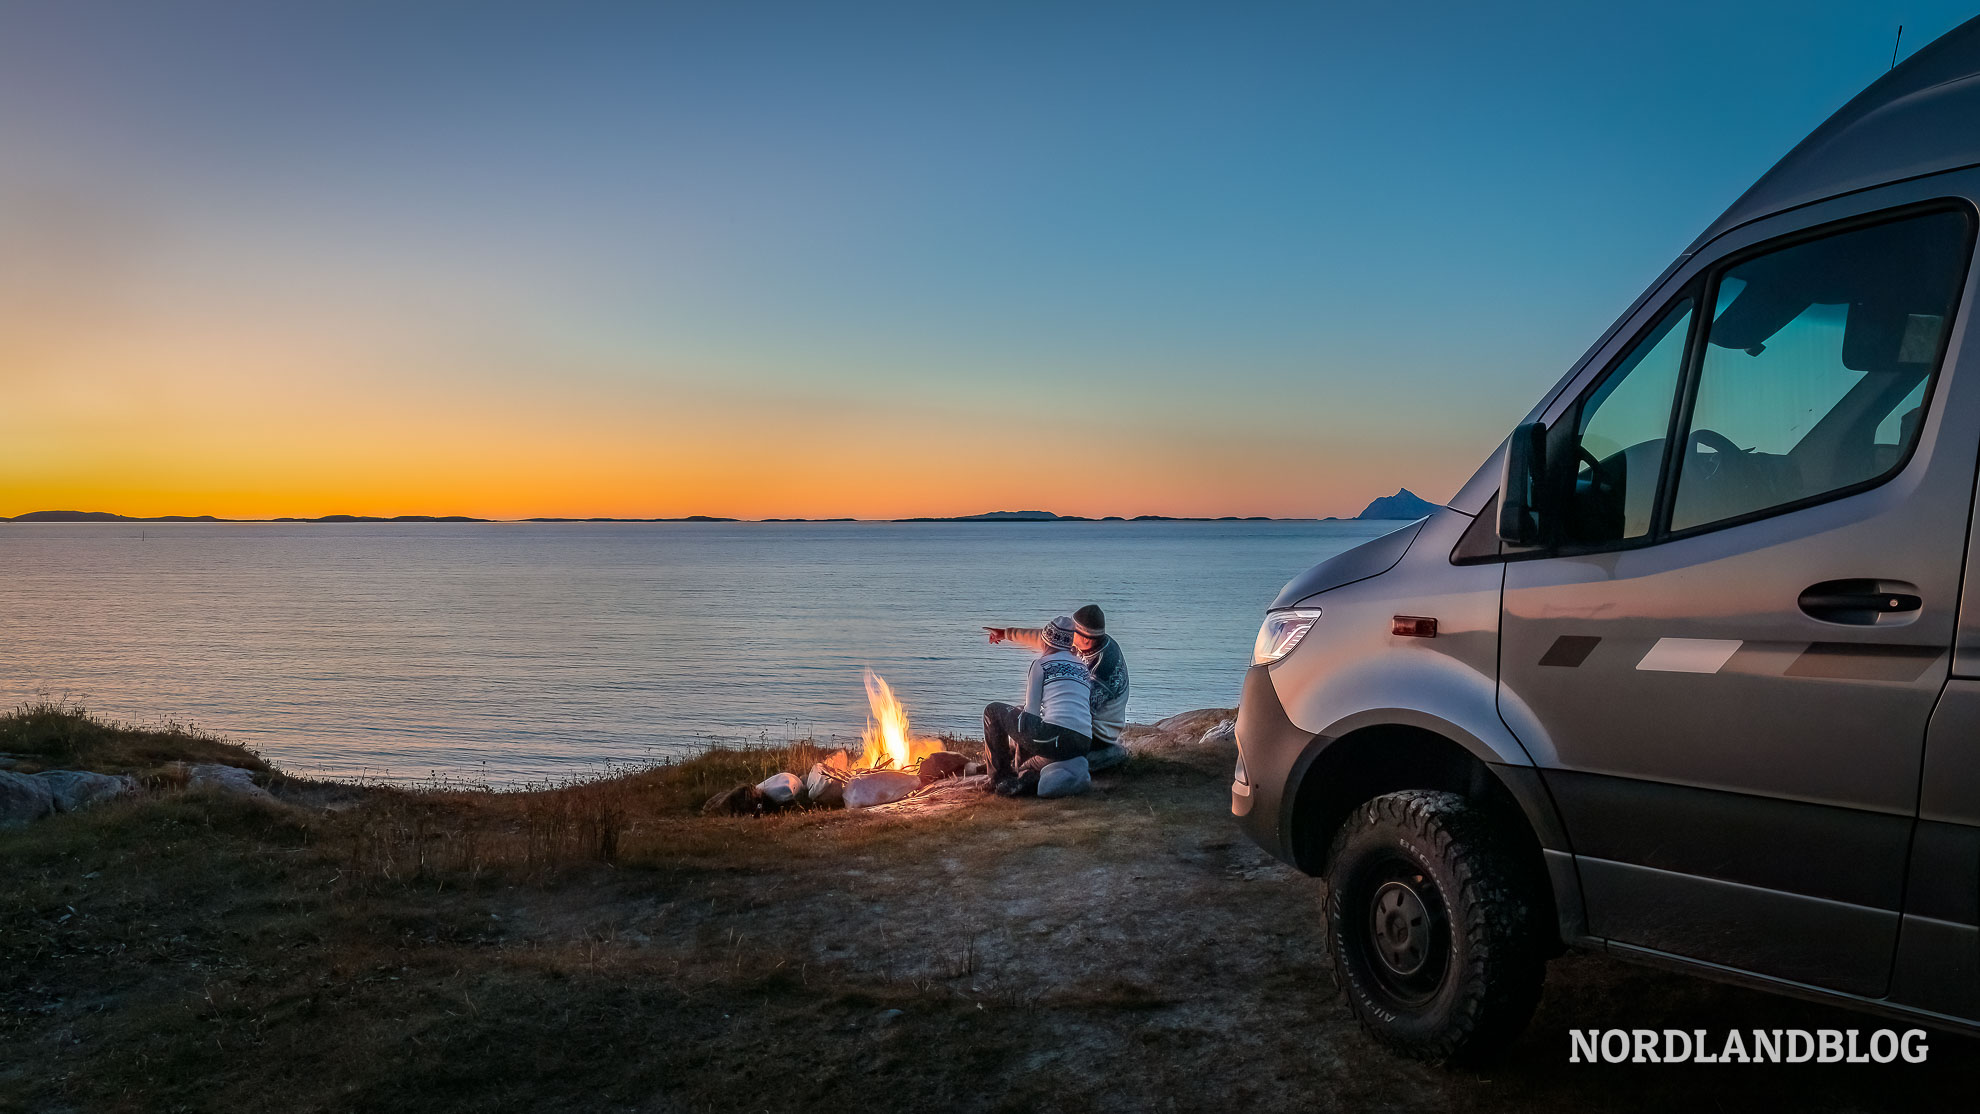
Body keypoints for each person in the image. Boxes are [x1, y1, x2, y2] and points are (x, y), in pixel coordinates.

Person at [985, 603, 1130, 768]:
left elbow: (1081, 708)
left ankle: (1014, 771)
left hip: (1096, 733)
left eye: (1072, 633)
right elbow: (1047, 639)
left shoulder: (1103, 668)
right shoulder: (1086, 643)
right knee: (1026, 717)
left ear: (1084, 637)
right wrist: (1006, 633)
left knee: (1025, 718)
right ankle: (1012, 763)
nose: (1069, 635)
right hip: (1080, 723)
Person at [981, 614, 1093, 796]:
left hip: (1054, 738)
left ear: (1046, 642)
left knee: (993, 711)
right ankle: (1026, 773)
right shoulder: (1082, 667)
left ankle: (1000, 778)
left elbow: (1031, 712)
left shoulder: (1041, 665)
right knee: (1021, 716)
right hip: (1082, 742)